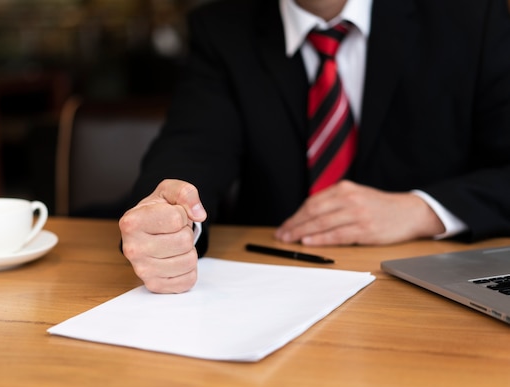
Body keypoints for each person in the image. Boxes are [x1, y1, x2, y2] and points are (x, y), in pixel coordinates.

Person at [119, 0, 510, 294]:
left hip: (423, 292)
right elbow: (192, 148)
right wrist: (167, 215)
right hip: (272, 290)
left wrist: (422, 210)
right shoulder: (223, 27)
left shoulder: (470, 15)